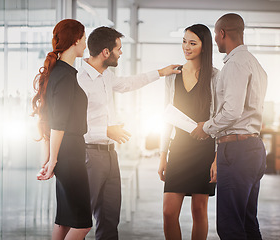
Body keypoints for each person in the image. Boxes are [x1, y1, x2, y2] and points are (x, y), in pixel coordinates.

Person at [77, 26, 180, 240]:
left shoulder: (105, 76)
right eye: (118, 49)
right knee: (81, 220)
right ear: (106, 52)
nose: (121, 53)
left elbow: (127, 83)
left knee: (110, 218)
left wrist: (160, 73)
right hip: (88, 155)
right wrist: (106, 130)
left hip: (109, 154)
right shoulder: (79, 80)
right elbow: (74, 124)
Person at [191, 13, 267, 239]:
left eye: (215, 34)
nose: (215, 39)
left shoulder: (234, 64)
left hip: (236, 150)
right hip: (252, 149)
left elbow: (232, 111)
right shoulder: (254, 63)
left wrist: (205, 127)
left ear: (222, 33)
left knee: (230, 226)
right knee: (247, 223)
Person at [158, 24, 219, 240]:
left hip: (204, 151)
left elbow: (221, 120)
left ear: (204, 46)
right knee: (168, 212)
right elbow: (166, 117)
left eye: (192, 43)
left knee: (199, 211)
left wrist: (216, 158)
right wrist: (162, 154)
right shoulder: (173, 75)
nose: (186, 47)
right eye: (184, 41)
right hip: (179, 149)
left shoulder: (214, 76)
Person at [32, 19, 92, 240]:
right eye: (84, 38)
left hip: (64, 152)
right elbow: (58, 123)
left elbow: (48, 120)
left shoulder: (57, 72)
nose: (85, 42)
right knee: (83, 224)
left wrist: (50, 157)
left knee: (65, 221)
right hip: (70, 153)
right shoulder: (66, 76)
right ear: (76, 40)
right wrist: (53, 159)